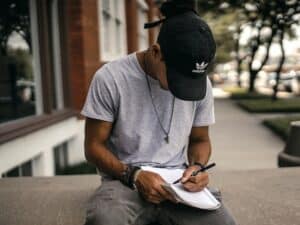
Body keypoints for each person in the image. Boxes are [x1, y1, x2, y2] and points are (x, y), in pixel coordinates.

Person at [81, 1, 237, 224]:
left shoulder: (202, 85)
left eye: (192, 79)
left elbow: (200, 140)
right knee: (105, 220)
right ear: (156, 52)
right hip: (124, 180)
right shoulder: (111, 78)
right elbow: (93, 147)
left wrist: (197, 167)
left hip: (178, 185)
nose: (185, 87)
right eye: (178, 78)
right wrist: (134, 175)